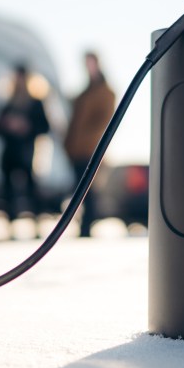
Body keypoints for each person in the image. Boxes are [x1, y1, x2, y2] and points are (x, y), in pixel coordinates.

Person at [0, 64, 51, 237]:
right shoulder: (8, 102)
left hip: (27, 153)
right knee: (8, 192)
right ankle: (10, 228)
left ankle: (36, 227)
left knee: (32, 190)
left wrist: (27, 126)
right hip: (9, 154)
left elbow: (45, 126)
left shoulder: (35, 103)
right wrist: (7, 125)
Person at [65, 52, 116, 238]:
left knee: (89, 191)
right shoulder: (84, 92)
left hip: (92, 149)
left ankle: (87, 229)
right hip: (75, 149)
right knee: (80, 189)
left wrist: (89, 139)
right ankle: (82, 227)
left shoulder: (105, 92)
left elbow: (104, 121)